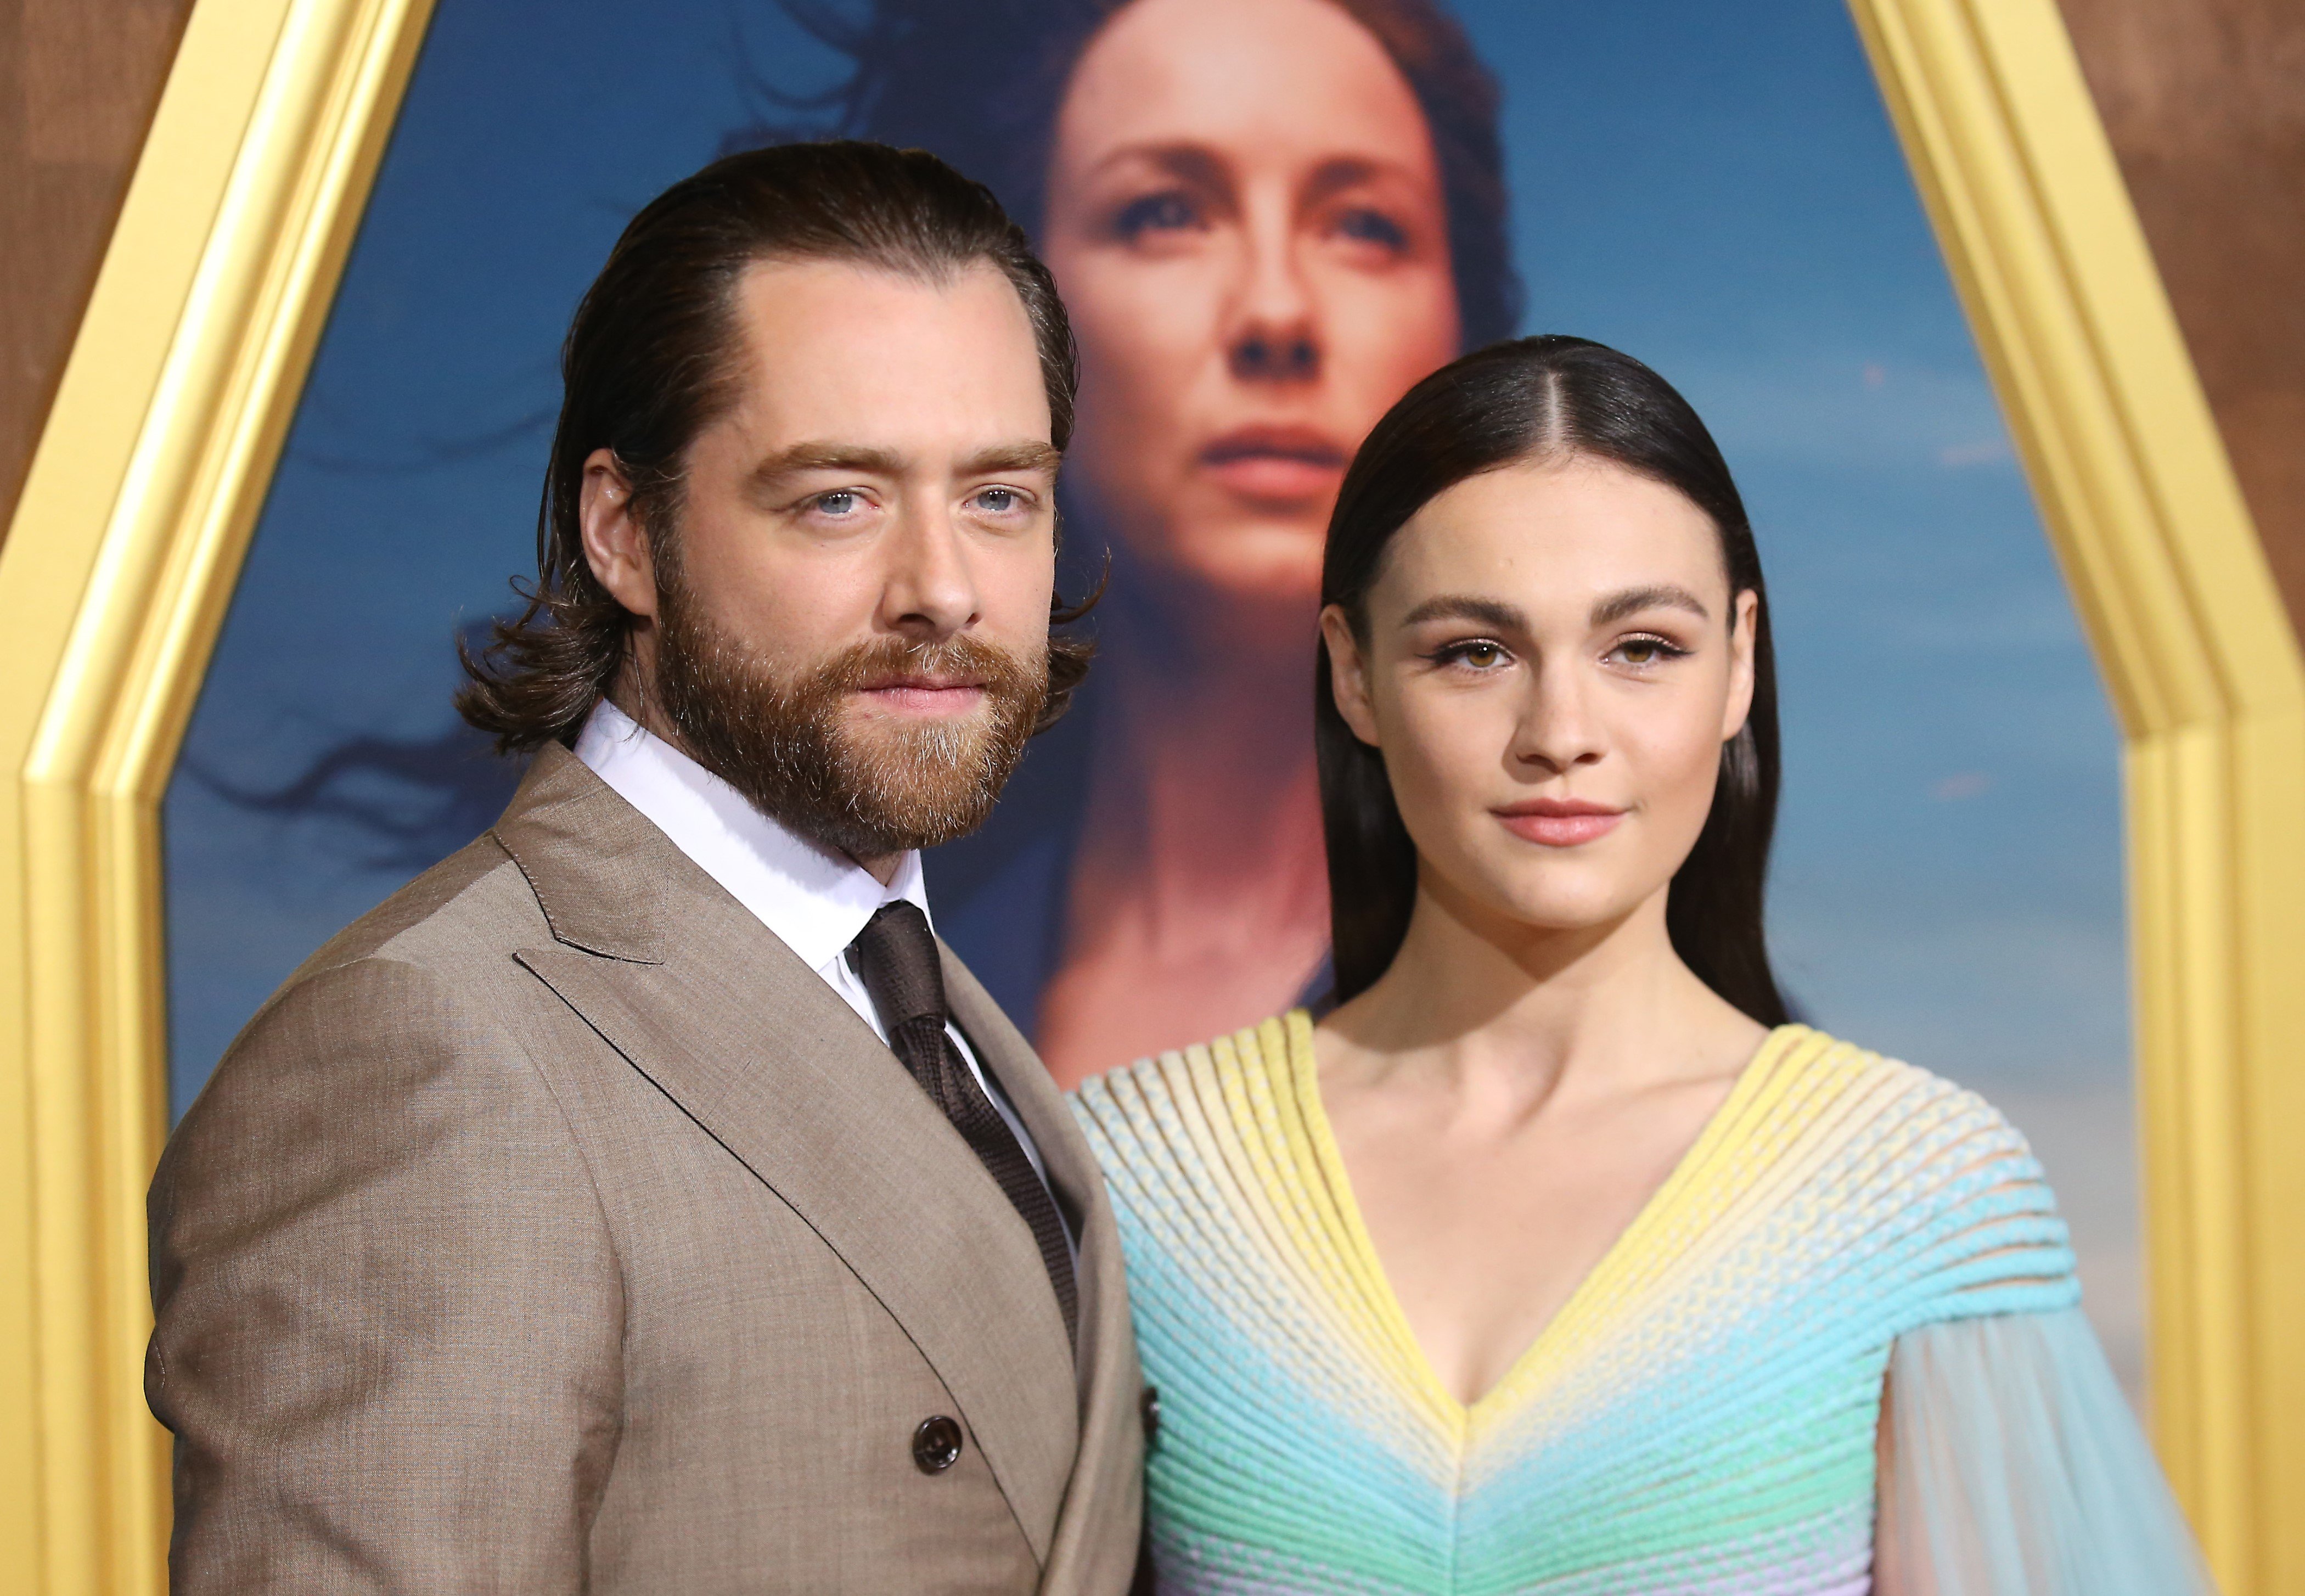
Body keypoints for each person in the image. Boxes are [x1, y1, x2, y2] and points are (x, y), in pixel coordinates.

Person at [148, 142, 1144, 1592]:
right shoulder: (430, 1049)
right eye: (837, 499)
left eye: (999, 497)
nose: (943, 584)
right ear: (625, 532)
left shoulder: (931, 1008)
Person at [1071, 336, 2213, 1593]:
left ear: (1740, 659)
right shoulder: (1136, 1174)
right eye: (1474, 651)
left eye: (1644, 648)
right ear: (1353, 672)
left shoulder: (1920, 1196)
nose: (1561, 734)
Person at [740, 0, 1520, 1086]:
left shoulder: (1634, 1021)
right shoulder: (826, 995)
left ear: (1461, 338)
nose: (1277, 312)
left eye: (1363, 225)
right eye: (1165, 213)